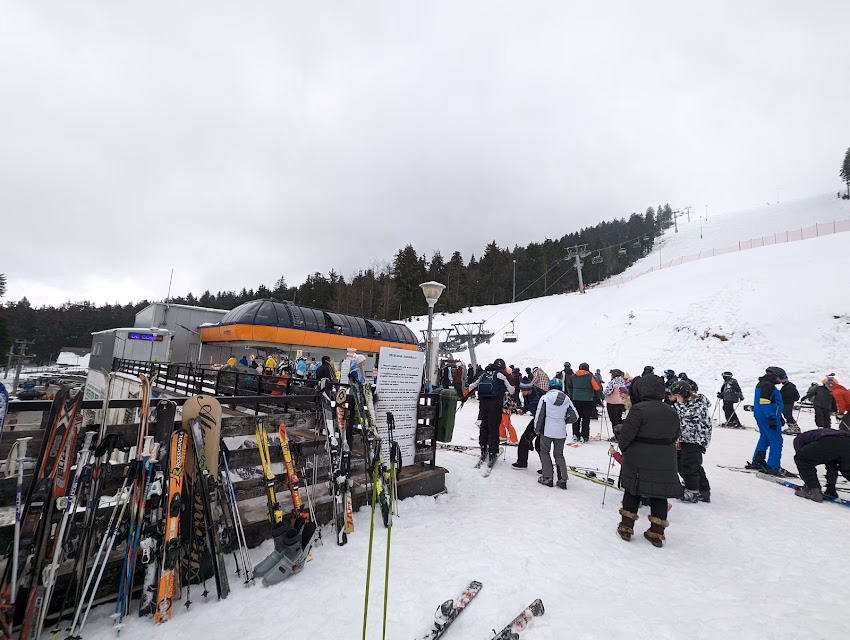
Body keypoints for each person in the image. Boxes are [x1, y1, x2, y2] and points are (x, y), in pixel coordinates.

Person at [615, 375, 682, 547]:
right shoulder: (671, 410)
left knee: (633, 491)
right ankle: (656, 533)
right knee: (660, 495)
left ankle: (626, 527)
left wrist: (628, 451)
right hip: (665, 459)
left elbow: (625, 438)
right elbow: (676, 435)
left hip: (639, 457)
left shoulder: (638, 410)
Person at [463, 358, 515, 469]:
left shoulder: (484, 373)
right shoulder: (502, 374)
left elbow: (473, 385)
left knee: (484, 426)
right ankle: (492, 452)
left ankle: (483, 449)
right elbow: (512, 390)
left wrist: (464, 397)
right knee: (493, 428)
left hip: (483, 405)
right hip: (495, 405)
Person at [671, 381, 713, 503]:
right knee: (688, 464)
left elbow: (688, 415)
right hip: (686, 438)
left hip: (695, 440)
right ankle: (703, 490)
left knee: (688, 466)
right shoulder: (687, 403)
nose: (676, 399)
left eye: (677, 396)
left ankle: (692, 490)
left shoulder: (698, 404)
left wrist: (678, 404)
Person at [748, 366, 793, 475]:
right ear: (774, 376)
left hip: (762, 415)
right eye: (781, 377)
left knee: (765, 438)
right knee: (776, 440)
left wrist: (779, 417)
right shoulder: (768, 386)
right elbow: (764, 402)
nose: (782, 380)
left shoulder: (763, 384)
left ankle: (758, 461)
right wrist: (771, 417)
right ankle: (773, 466)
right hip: (767, 416)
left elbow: (771, 402)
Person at [533, 379, 578, 489]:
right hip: (561, 432)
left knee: (544, 452)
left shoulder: (545, 398)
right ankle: (562, 480)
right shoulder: (567, 399)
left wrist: (537, 430)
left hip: (547, 431)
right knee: (559, 455)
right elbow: (575, 416)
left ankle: (548, 478)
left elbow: (539, 415)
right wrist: (564, 421)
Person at [792, 423, 850, 502]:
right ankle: (828, 490)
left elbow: (803, 457)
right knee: (847, 470)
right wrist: (831, 487)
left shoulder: (799, 439)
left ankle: (812, 491)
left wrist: (809, 483)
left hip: (829, 440)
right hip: (846, 441)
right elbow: (831, 465)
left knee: (802, 459)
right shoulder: (817, 434)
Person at [567, 363, 602, 442]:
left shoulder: (573, 377)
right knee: (586, 418)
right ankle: (584, 435)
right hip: (588, 400)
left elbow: (569, 386)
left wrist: (573, 394)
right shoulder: (590, 377)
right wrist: (601, 397)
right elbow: (597, 388)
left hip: (576, 399)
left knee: (576, 417)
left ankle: (575, 434)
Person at [512, 378, 542, 470]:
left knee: (539, 445)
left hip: (542, 422)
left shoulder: (535, 400)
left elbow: (540, 416)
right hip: (537, 420)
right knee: (525, 440)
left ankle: (547, 468)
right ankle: (522, 462)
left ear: (528, 389)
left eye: (522, 390)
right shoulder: (528, 395)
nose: (521, 392)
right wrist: (524, 410)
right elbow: (527, 406)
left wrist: (535, 432)